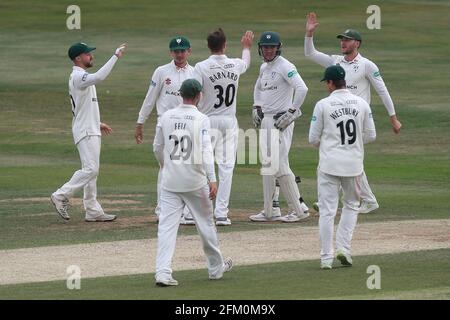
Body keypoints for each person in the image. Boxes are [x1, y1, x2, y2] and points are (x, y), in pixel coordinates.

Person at [304, 12, 401, 214]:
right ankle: (361, 200)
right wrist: (309, 34)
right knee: (346, 157)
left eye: (347, 40)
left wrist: (393, 118)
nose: (343, 43)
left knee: (340, 155)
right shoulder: (335, 61)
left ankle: (331, 201)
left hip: (358, 118)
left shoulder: (367, 65)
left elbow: (382, 90)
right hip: (339, 116)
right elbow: (310, 54)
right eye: (342, 40)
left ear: (357, 43)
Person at [153, 79, 232, 286]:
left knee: (166, 228)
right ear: (198, 95)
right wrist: (212, 179)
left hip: (170, 182)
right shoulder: (201, 118)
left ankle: (162, 273)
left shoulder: (166, 116)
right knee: (206, 225)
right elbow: (206, 150)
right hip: (195, 183)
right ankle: (216, 269)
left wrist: (166, 166)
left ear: (181, 94)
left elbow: (157, 147)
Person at [309, 65, 376, 269]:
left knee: (328, 211)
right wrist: (353, 146)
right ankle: (344, 249)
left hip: (329, 165)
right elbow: (371, 135)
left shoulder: (322, 105)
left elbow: (312, 138)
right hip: (354, 165)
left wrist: (329, 145)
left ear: (330, 83)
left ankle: (326, 258)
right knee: (351, 207)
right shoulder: (361, 103)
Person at [51, 42, 126, 222]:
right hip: (85, 130)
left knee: (92, 171)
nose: (91, 56)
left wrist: (97, 122)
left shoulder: (81, 76)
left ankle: (92, 210)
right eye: (87, 54)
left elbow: (81, 106)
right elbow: (100, 76)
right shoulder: (78, 77)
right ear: (78, 58)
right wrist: (115, 56)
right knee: (91, 169)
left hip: (89, 127)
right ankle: (60, 195)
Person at [193, 28, 254, 226]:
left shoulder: (201, 67)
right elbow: (246, 62)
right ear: (225, 45)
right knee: (226, 167)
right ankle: (221, 214)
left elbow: (194, 92)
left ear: (209, 46)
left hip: (207, 120)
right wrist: (246, 47)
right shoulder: (234, 64)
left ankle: (202, 211)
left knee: (202, 165)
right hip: (228, 120)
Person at [135, 36, 196, 225]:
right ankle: (162, 210)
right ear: (171, 52)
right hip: (165, 124)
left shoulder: (195, 72)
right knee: (166, 167)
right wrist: (140, 122)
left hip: (187, 124)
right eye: (176, 51)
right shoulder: (162, 72)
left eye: (183, 51)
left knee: (186, 167)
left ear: (189, 51)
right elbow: (150, 98)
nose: (179, 54)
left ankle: (186, 211)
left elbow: (199, 101)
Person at [249, 31, 310, 223]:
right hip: (266, 120)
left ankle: (298, 210)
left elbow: (302, 88)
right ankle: (269, 211)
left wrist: (291, 112)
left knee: (280, 165)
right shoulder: (264, 68)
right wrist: (256, 106)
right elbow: (258, 88)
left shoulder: (286, 66)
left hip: (280, 121)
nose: (268, 50)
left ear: (278, 48)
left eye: (271, 47)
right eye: (265, 47)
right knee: (268, 165)